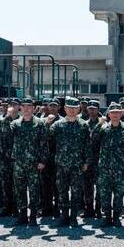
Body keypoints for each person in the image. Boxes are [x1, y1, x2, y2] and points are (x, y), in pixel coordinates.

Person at [48, 97, 90, 227]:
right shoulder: (57, 125)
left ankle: (73, 217)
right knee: (62, 191)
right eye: (69, 108)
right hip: (61, 165)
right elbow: (48, 141)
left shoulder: (83, 125)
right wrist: (47, 124)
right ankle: (64, 216)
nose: (72, 110)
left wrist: (86, 162)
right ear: (65, 108)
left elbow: (87, 145)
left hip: (77, 165)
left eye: (74, 108)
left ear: (78, 109)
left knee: (76, 192)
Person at [90, 103, 124, 227]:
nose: (115, 115)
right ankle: (107, 217)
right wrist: (99, 123)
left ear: (121, 114)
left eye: (117, 112)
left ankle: (116, 217)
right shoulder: (103, 129)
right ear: (108, 115)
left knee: (119, 194)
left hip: (120, 168)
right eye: (112, 113)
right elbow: (93, 139)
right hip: (104, 167)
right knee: (104, 193)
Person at [8, 97, 48, 226]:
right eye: (24, 106)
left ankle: (33, 216)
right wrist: (8, 116)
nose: (26, 109)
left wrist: (42, 160)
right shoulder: (15, 124)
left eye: (29, 106)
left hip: (34, 163)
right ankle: (22, 215)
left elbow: (44, 144)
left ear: (33, 108)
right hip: (19, 163)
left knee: (34, 190)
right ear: (20, 108)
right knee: (19, 190)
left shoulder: (39, 123)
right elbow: (5, 136)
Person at [82, 100, 102, 218]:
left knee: (100, 186)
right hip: (87, 161)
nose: (92, 110)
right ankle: (89, 209)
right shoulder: (84, 124)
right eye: (90, 108)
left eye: (94, 108)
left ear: (98, 109)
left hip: (99, 160)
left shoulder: (104, 124)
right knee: (87, 186)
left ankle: (98, 209)